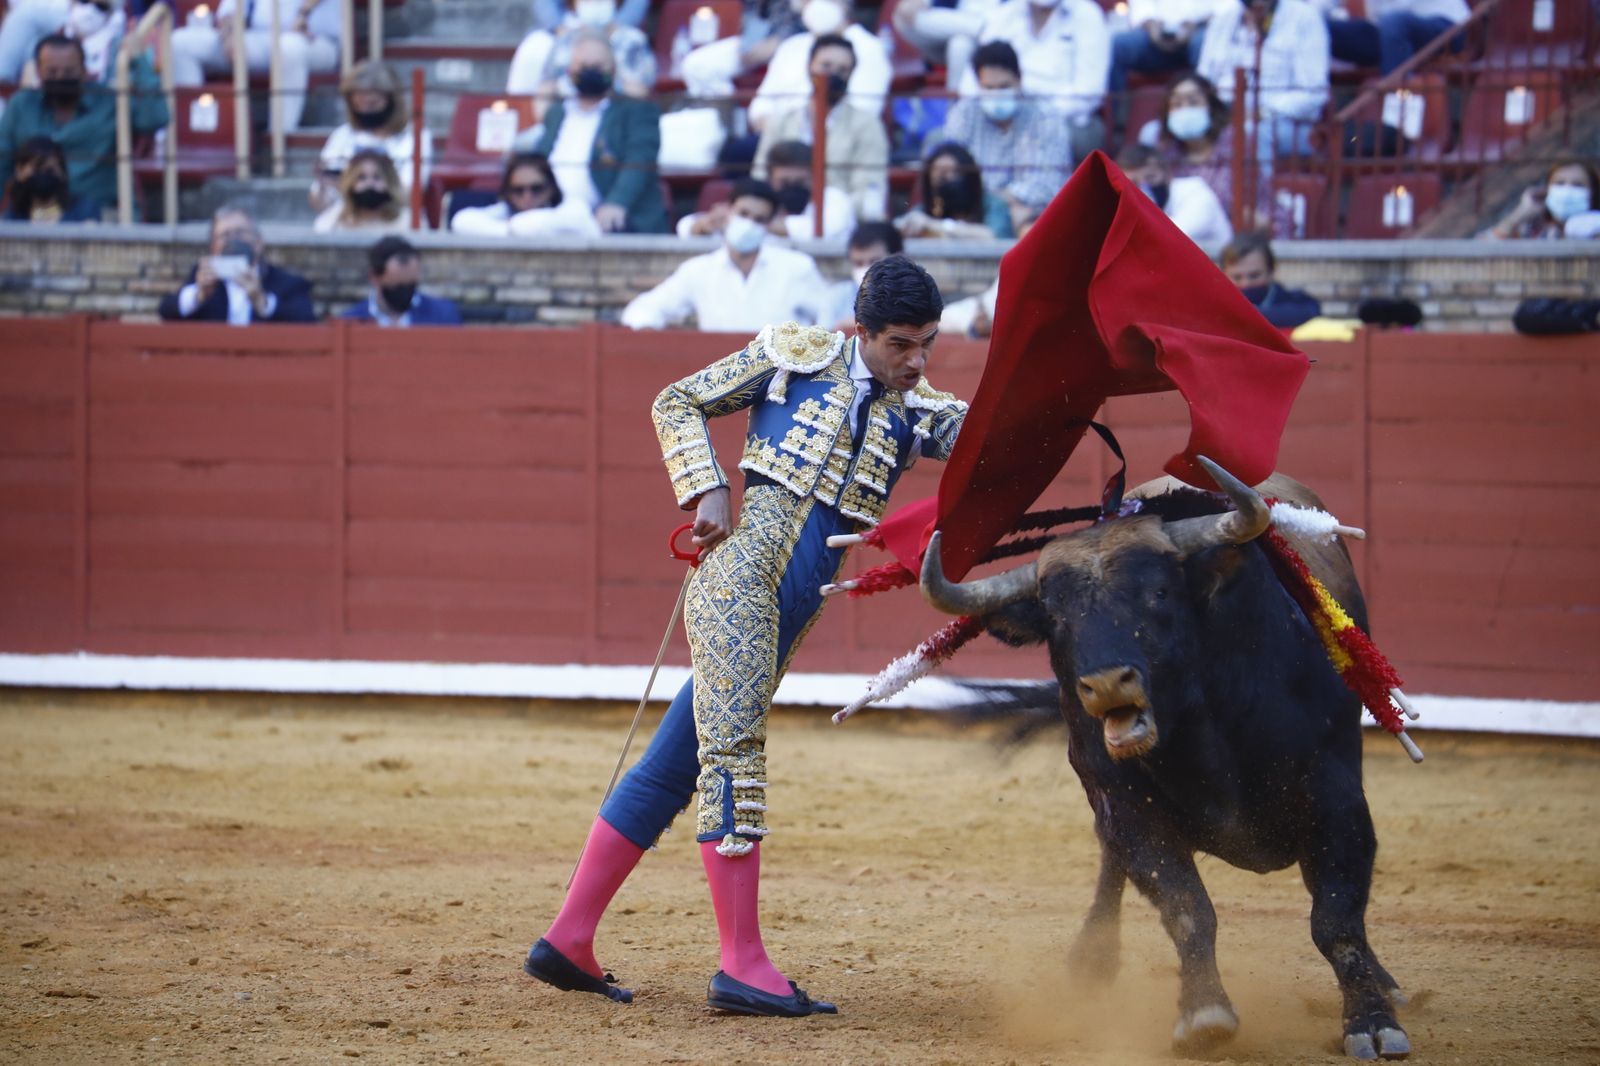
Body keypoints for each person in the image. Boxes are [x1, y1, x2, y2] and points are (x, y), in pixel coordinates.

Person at [525, 254, 967, 1018]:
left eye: (927, 343)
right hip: (740, 584)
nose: (916, 360)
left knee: (674, 764)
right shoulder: (794, 356)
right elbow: (677, 400)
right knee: (733, 757)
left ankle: (569, 938)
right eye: (901, 344)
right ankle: (743, 964)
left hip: (784, 613)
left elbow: (995, 443)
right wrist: (707, 487)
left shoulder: (918, 409)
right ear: (862, 330)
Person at [623, 178, 830, 330]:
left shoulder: (796, 267)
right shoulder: (700, 270)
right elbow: (643, 309)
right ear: (728, 212)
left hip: (781, 373)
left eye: (759, 219)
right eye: (743, 214)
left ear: (769, 224)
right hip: (721, 372)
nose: (749, 224)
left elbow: (828, 317)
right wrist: (648, 331)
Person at [0, 34, 168, 214]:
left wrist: (140, 62)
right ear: (39, 72)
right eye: (52, 72)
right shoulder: (21, 105)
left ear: (84, 71)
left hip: (99, 215)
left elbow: (157, 118)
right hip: (34, 213)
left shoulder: (110, 102)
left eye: (69, 72)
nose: (60, 78)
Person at [528, 31, 667, 233]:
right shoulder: (557, 112)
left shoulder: (636, 109)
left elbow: (639, 162)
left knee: (531, 226)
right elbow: (539, 160)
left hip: (606, 220)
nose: (589, 71)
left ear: (614, 69)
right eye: (583, 66)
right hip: (552, 210)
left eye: (597, 66)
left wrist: (616, 203)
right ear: (569, 70)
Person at [752, 33, 889, 222]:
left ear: (851, 75)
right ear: (809, 66)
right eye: (826, 66)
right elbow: (759, 177)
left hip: (838, 223)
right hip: (777, 219)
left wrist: (825, 215)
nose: (833, 74)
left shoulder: (867, 125)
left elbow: (869, 192)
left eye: (842, 70)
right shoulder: (781, 121)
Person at [939, 40, 1070, 233]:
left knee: (1027, 217)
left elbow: (1045, 187)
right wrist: (994, 202)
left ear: (1019, 80)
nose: (996, 94)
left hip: (1029, 218)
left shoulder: (1046, 117)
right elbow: (953, 176)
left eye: (1004, 86)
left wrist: (994, 200)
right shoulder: (964, 114)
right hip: (974, 214)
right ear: (978, 84)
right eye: (989, 88)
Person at [956, 0, 1109, 162]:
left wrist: (1031, 114)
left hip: (1064, 120)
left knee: (1044, 134)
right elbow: (969, 86)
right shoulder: (1004, 15)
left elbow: (1088, 94)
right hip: (1001, 117)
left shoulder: (1088, 15)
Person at [1141, 71, 1286, 235]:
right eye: (1177, 104)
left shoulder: (1234, 144)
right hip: (1182, 236)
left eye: (1193, 102)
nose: (1185, 109)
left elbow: (1252, 207)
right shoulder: (1164, 150)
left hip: (1230, 237)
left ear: (1210, 106)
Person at [169, 0, 340, 130]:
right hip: (262, 37)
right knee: (180, 43)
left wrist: (303, 13)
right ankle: (184, 134)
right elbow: (230, 9)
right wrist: (230, 34)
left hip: (318, 41)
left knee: (288, 48)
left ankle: (279, 141)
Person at [1196, 0, 1328, 160]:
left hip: (1284, 122)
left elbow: (1314, 93)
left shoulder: (1304, 17)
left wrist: (1260, 113)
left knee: (1250, 132)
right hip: (1224, 115)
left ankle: (1255, 178)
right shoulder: (1223, 18)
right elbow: (1203, 80)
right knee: (1177, 129)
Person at [746, 0, 890, 134]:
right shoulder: (791, 46)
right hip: (780, 139)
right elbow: (760, 107)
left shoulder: (869, 48)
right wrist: (784, 132)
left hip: (839, 144)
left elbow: (865, 109)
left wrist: (806, 134)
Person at [158, 205, 316, 325]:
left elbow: (306, 319)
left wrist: (262, 301)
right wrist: (199, 295)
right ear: (213, 247)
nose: (233, 241)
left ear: (258, 243)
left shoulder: (286, 283)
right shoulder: (203, 279)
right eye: (225, 235)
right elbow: (166, 311)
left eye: (240, 232)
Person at [310, 61, 432, 216]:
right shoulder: (342, 135)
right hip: (346, 219)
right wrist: (323, 187)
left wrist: (365, 188)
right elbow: (319, 203)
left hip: (394, 218)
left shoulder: (415, 136)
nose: (365, 111)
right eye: (358, 105)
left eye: (372, 104)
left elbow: (411, 195)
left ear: (392, 101)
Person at [506, 0, 656, 99]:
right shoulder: (560, 42)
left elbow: (640, 95)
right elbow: (544, 96)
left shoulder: (632, 42)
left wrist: (611, 84)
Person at [450, 152, 602, 238]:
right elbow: (461, 221)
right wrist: (510, 230)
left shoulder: (573, 207)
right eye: (518, 190)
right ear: (508, 192)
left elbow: (579, 222)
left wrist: (514, 229)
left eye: (536, 189)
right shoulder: (505, 211)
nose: (527, 196)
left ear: (551, 188)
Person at [1117, 143, 1233, 246]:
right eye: (1134, 183)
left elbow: (1172, 236)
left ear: (1167, 174)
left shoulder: (1195, 192)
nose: (1143, 188)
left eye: (1150, 177)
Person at [897, 141, 1013, 239]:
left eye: (948, 172)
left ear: (966, 176)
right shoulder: (927, 207)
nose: (942, 178)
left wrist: (938, 226)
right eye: (936, 172)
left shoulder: (991, 204)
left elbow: (993, 237)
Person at [340, 236, 462, 326]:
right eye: (397, 287)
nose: (405, 293)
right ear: (374, 278)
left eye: (411, 286)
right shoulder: (349, 321)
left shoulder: (443, 315)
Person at [1325, 0, 1468, 74]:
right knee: (1322, 27)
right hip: (1388, 32)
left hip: (1445, 25)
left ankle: (1396, 107)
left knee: (1395, 22)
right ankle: (1314, 112)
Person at [0, 0, 124, 85]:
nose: (89, 10)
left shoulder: (116, 52)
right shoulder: (39, 46)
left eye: (101, 7)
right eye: (84, 1)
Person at [1220, 230, 1321, 329]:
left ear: (1271, 271)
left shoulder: (1300, 303)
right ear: (1224, 275)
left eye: (1254, 276)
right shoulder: (1218, 307)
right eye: (1237, 277)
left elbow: (1312, 311)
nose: (1246, 284)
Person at [1108, 0, 1212, 93]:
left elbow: (1218, 8)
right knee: (1118, 45)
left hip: (1198, 30)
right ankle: (1115, 107)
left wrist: (1195, 22)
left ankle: (1206, 104)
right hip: (1153, 33)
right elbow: (1141, 6)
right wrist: (1151, 24)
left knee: (1205, 44)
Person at [1481, 161, 1600, 241]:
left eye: (1578, 185)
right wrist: (1518, 216)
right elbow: (1478, 252)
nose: (1567, 190)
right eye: (1560, 183)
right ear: (1547, 189)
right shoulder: (1530, 230)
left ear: (1593, 192)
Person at [2, 135, 101, 221]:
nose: (43, 173)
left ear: (62, 172)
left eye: (50, 170)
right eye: (37, 168)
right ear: (19, 172)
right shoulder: (13, 217)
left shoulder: (84, 211)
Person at [890, 0, 999, 78]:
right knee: (903, 18)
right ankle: (983, 29)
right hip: (954, 28)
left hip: (1000, 31)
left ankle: (956, 103)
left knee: (960, 44)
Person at [825, 221, 902, 330]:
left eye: (874, 261)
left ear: (898, 258)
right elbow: (823, 334)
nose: (866, 269)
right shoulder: (837, 296)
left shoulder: (915, 294)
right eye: (858, 263)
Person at [313, 148, 410, 233]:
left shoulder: (406, 222)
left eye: (377, 177)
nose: (369, 183)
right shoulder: (332, 222)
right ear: (349, 182)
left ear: (390, 182)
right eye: (361, 178)